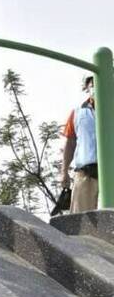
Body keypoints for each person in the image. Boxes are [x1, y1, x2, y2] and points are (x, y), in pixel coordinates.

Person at [61, 75, 98, 213]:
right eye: (93, 84)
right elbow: (70, 142)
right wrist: (64, 171)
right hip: (86, 173)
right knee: (82, 220)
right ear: (87, 88)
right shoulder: (77, 113)